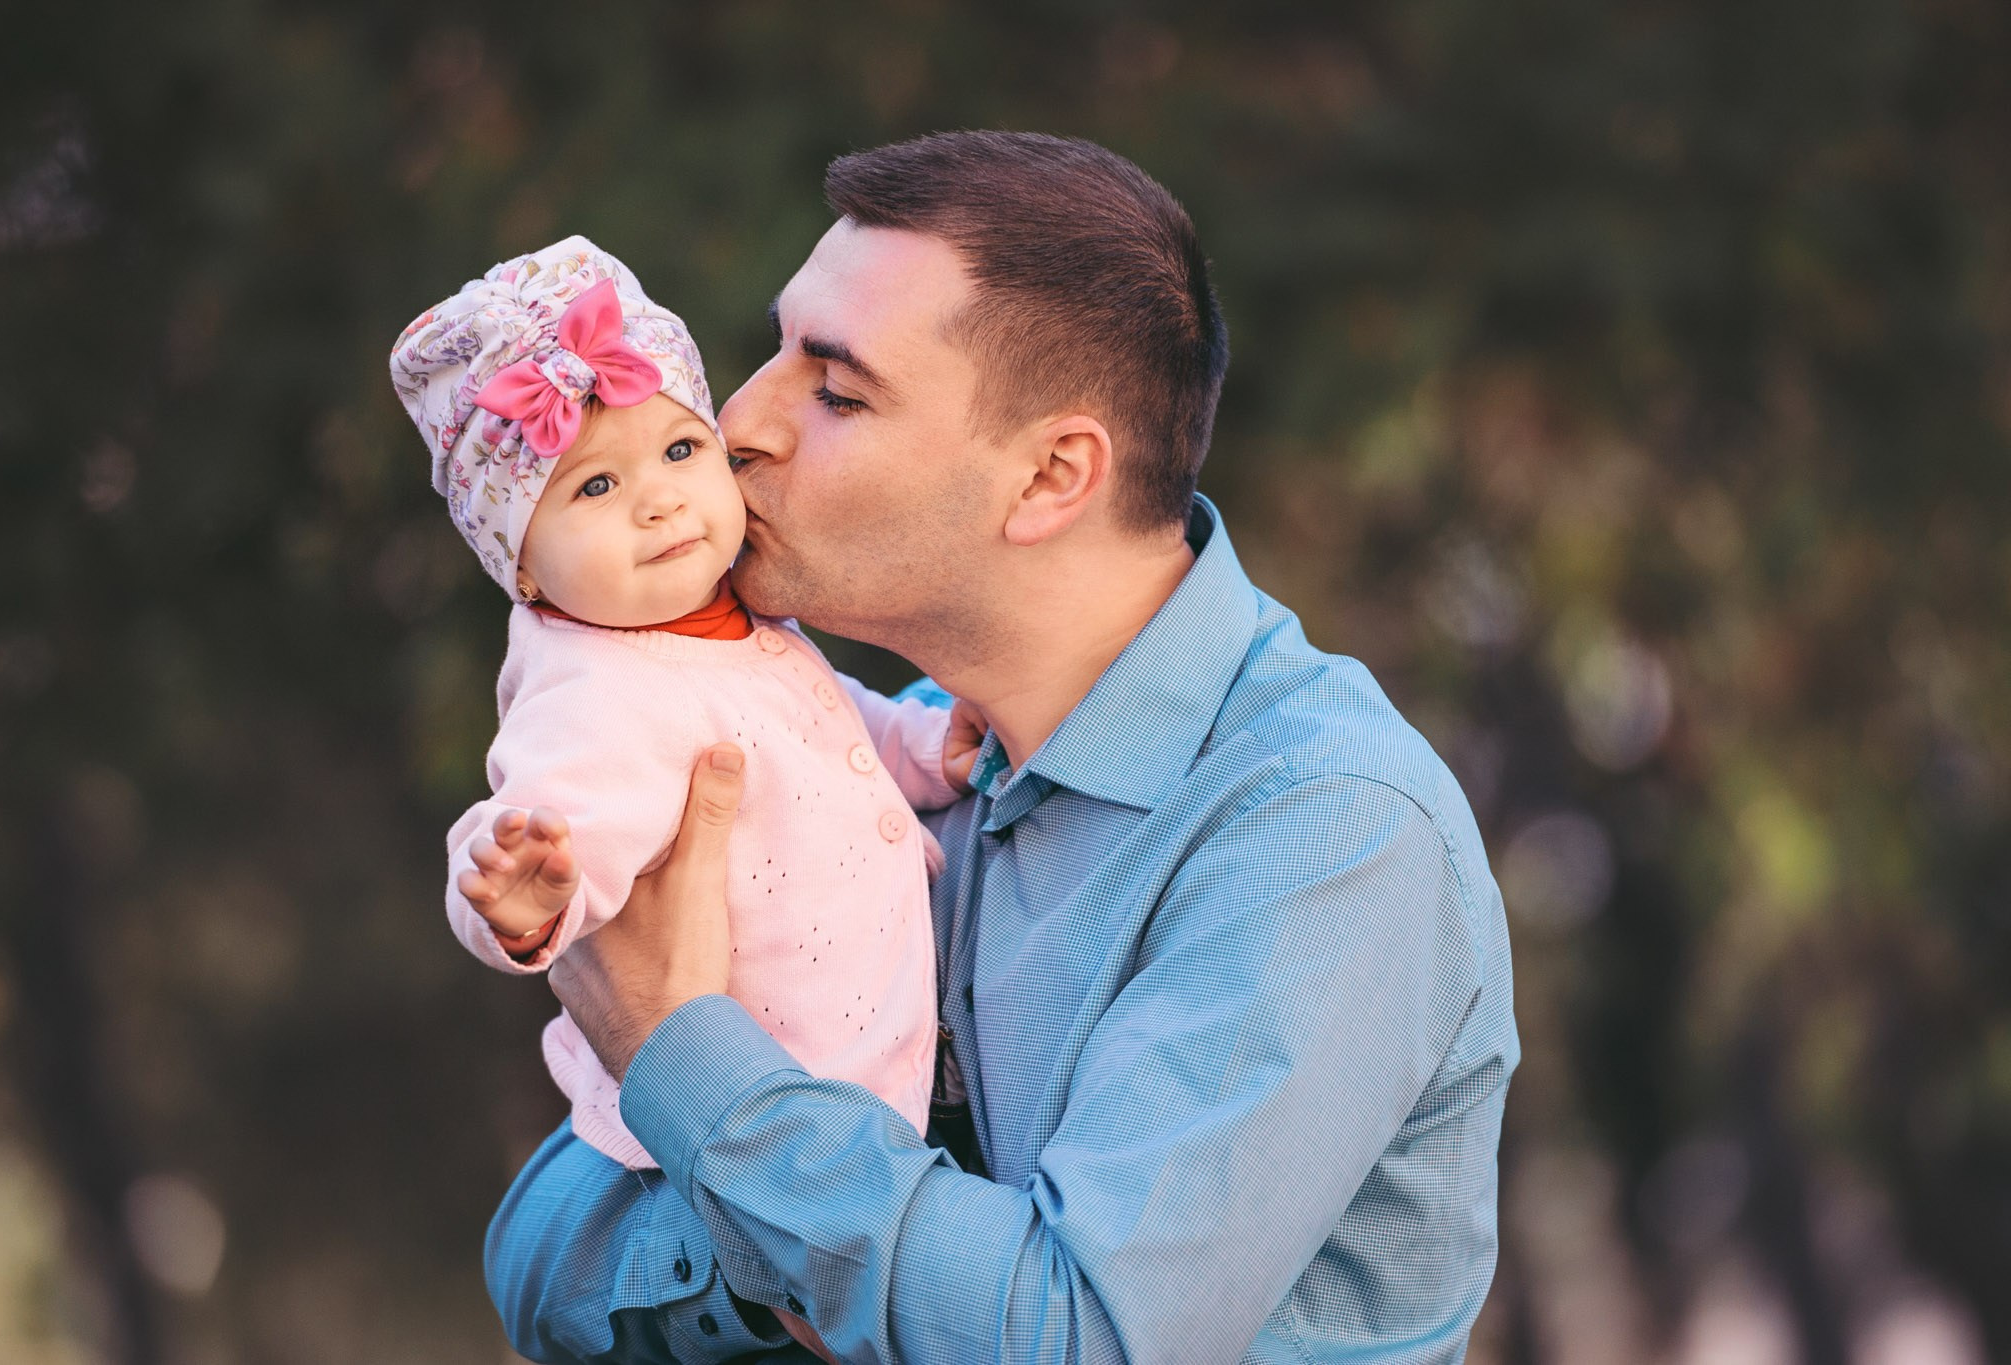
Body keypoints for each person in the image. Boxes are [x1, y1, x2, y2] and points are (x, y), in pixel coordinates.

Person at [486, 131, 1520, 1363]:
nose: (735, 425)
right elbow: (540, 1252)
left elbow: (1069, 1337)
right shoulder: (885, 757)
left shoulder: (1324, 832)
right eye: (769, 352)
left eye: (835, 389)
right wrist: (817, 1258)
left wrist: (678, 1051)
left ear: (1048, 478)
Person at [390, 238, 969, 1172]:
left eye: (680, 448)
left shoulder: (728, 622)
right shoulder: (594, 691)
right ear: (524, 568)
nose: (659, 501)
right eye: (596, 486)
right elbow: (534, 821)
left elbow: (831, 725)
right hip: (765, 1124)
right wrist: (528, 899)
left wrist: (926, 744)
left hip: (848, 1094)